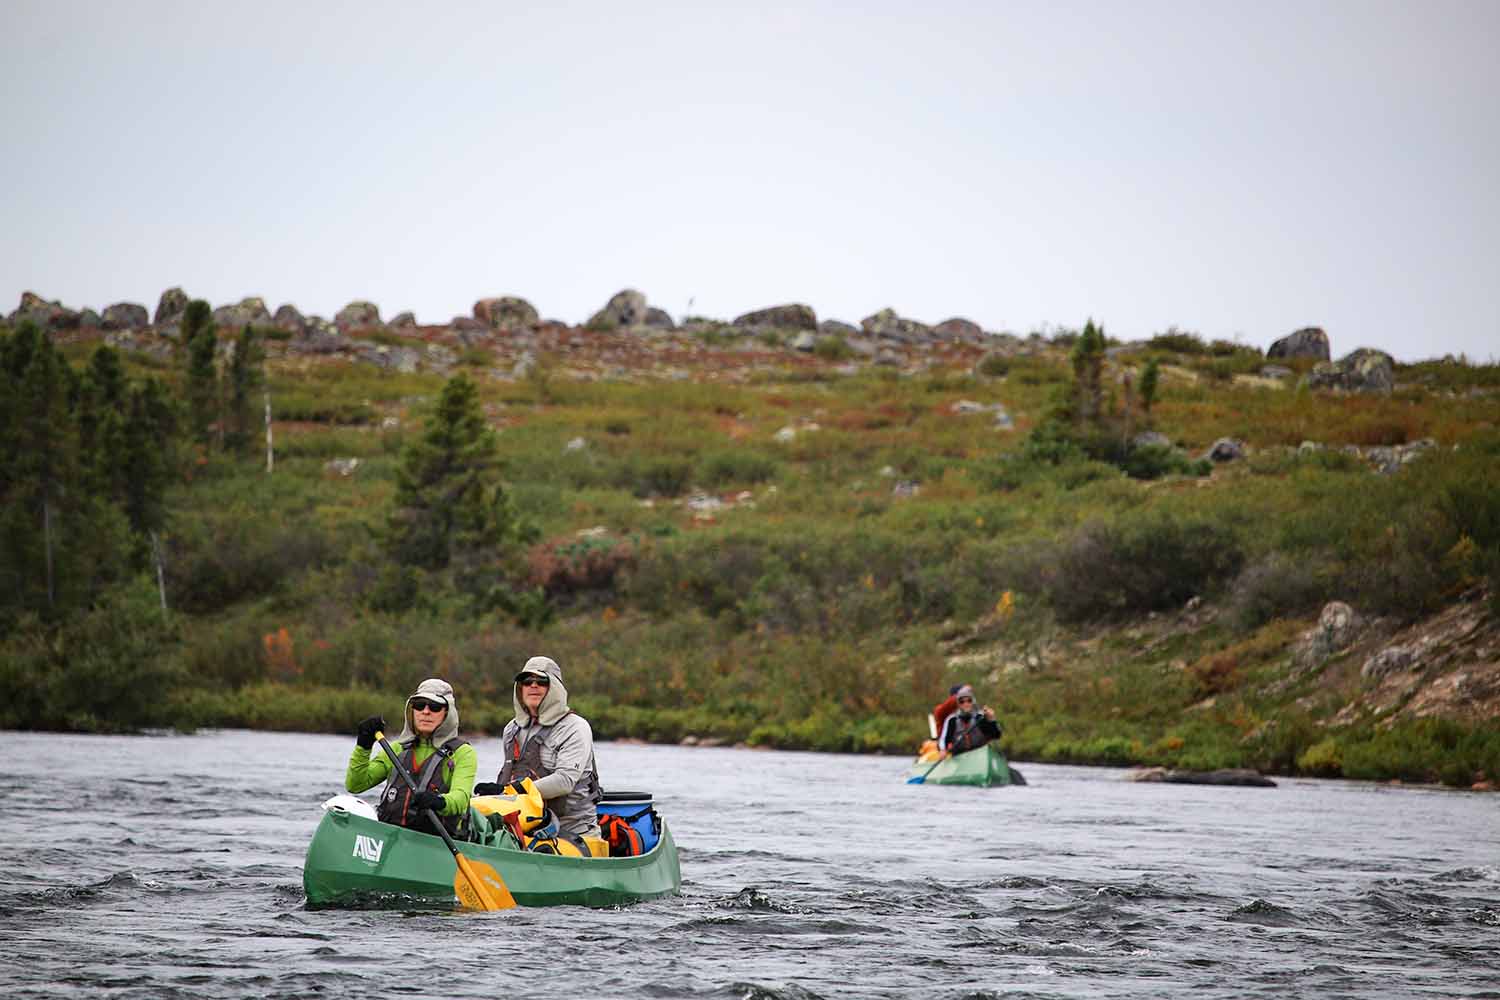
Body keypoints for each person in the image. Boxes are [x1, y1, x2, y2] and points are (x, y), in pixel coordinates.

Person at [483, 655, 602, 839]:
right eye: (527, 681)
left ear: (555, 688)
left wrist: (510, 791)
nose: (533, 685)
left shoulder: (575, 727)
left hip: (573, 833)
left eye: (542, 681)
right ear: (520, 688)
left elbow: (565, 781)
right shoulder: (511, 729)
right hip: (523, 829)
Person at [346, 677, 476, 837]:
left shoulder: (463, 753)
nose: (425, 712)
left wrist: (439, 801)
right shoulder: (397, 748)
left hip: (435, 840)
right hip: (390, 836)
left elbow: (461, 798)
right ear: (412, 710)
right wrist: (363, 746)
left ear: (447, 713)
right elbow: (355, 785)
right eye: (419, 705)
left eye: (435, 707)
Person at [934, 683, 1002, 755]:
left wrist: (992, 720)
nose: (966, 704)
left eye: (969, 700)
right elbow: (942, 741)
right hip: (959, 757)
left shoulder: (979, 717)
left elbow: (996, 735)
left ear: (973, 702)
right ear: (958, 703)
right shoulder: (951, 720)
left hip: (980, 756)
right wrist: (942, 750)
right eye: (962, 701)